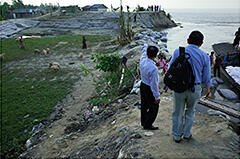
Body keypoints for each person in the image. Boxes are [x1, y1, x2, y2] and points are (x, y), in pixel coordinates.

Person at [169, 30, 211, 143]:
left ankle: (177, 136)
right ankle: (187, 134)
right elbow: (207, 76)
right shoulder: (204, 56)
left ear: (187, 40)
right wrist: (208, 90)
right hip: (195, 88)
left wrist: (170, 85)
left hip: (179, 88)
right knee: (190, 111)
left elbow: (170, 69)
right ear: (201, 43)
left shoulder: (178, 52)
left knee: (177, 112)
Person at [140, 44, 160, 130]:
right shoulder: (153, 68)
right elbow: (154, 84)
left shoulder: (142, 60)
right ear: (155, 56)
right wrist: (157, 96)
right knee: (154, 107)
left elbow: (143, 51)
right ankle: (148, 124)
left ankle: (143, 122)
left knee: (144, 105)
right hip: (149, 88)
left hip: (143, 85)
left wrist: (145, 46)